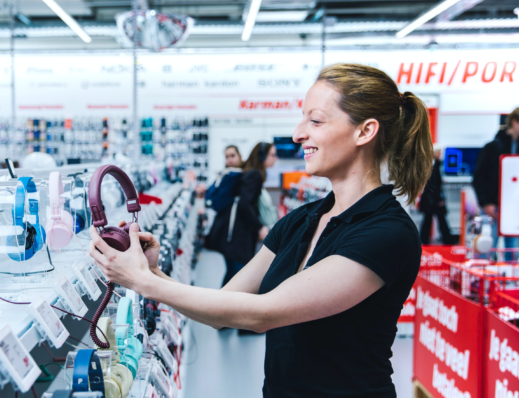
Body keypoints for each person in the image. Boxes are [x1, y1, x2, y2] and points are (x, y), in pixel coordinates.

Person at [89, 63, 432, 397]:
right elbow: (225, 310)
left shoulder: (386, 232)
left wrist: (141, 281)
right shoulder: (302, 220)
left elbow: (262, 313)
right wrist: (154, 273)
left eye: (315, 120)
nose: (298, 133)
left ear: (365, 131)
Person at [205, 142, 276, 288]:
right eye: (273, 155)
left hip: (230, 233)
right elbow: (245, 204)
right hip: (238, 236)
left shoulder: (249, 172)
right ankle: (223, 306)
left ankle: (219, 306)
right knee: (239, 275)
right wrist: (259, 227)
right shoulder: (254, 175)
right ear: (262, 156)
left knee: (232, 273)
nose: (275, 158)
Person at [473, 108, 519, 250]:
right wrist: (486, 203)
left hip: (514, 210)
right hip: (493, 208)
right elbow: (478, 177)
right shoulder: (492, 147)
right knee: (485, 249)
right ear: (515, 122)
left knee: (513, 254)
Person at [419, 145, 457, 245]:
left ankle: (425, 240)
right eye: (438, 152)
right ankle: (447, 239)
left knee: (430, 220)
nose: (440, 154)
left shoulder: (432, 165)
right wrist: (439, 199)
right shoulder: (433, 166)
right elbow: (433, 185)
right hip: (432, 200)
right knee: (439, 219)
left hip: (430, 199)